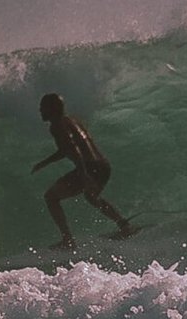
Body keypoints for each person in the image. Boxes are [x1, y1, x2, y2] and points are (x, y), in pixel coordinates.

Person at [32, 92, 136, 248]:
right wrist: (45, 163)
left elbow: (74, 150)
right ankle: (124, 226)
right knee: (92, 197)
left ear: (51, 109)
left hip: (90, 167)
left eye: (43, 108)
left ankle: (68, 240)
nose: (40, 111)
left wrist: (84, 175)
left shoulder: (57, 125)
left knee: (51, 197)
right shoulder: (73, 120)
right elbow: (66, 149)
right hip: (103, 165)